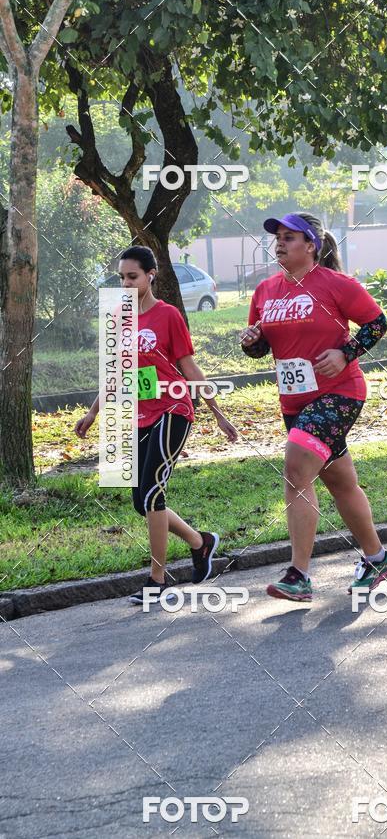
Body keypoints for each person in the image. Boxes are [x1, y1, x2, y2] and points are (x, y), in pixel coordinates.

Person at [241, 211, 387, 602]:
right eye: (277, 237)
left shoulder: (335, 284)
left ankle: (299, 575)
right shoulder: (265, 291)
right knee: (341, 483)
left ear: (311, 245)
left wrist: (346, 353)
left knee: (295, 471)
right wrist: (251, 341)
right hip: (294, 401)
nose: (279, 242)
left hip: (340, 393)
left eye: (289, 237)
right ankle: (377, 557)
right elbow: (262, 349)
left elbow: (377, 323)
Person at [75, 246, 238, 604]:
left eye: (132, 276)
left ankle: (158, 580)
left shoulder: (168, 316)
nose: (126, 283)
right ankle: (201, 542)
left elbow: (190, 368)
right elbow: (115, 372)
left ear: (151, 275)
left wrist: (216, 410)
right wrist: (93, 412)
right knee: (141, 501)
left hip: (173, 409)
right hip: (140, 414)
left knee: (151, 493)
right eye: (121, 277)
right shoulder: (119, 316)